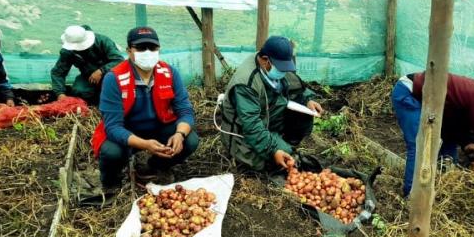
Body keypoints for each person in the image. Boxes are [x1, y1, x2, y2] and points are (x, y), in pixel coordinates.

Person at [91, 27, 199, 192]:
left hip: (158, 126)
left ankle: (157, 165)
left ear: (158, 49)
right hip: (126, 131)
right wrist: (144, 144)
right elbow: (112, 127)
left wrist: (179, 134)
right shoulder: (114, 78)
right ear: (129, 51)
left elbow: (185, 111)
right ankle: (111, 182)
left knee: (189, 140)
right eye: (141, 48)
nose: (147, 52)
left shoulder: (169, 73)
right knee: (111, 152)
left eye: (152, 48)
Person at [218, 36, 323, 171]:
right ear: (265, 60)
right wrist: (274, 150)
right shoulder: (246, 84)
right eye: (281, 69)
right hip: (244, 132)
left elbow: (296, 86)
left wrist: (307, 100)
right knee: (272, 164)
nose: (284, 72)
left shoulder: (277, 66)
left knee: (302, 116)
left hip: (267, 118)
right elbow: (252, 127)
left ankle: (284, 145)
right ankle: (278, 148)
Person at [50, 25, 124, 103]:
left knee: (116, 93)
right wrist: (60, 93)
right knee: (78, 91)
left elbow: (118, 60)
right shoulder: (68, 51)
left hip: (111, 74)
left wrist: (101, 71)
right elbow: (58, 72)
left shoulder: (103, 41)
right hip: (88, 77)